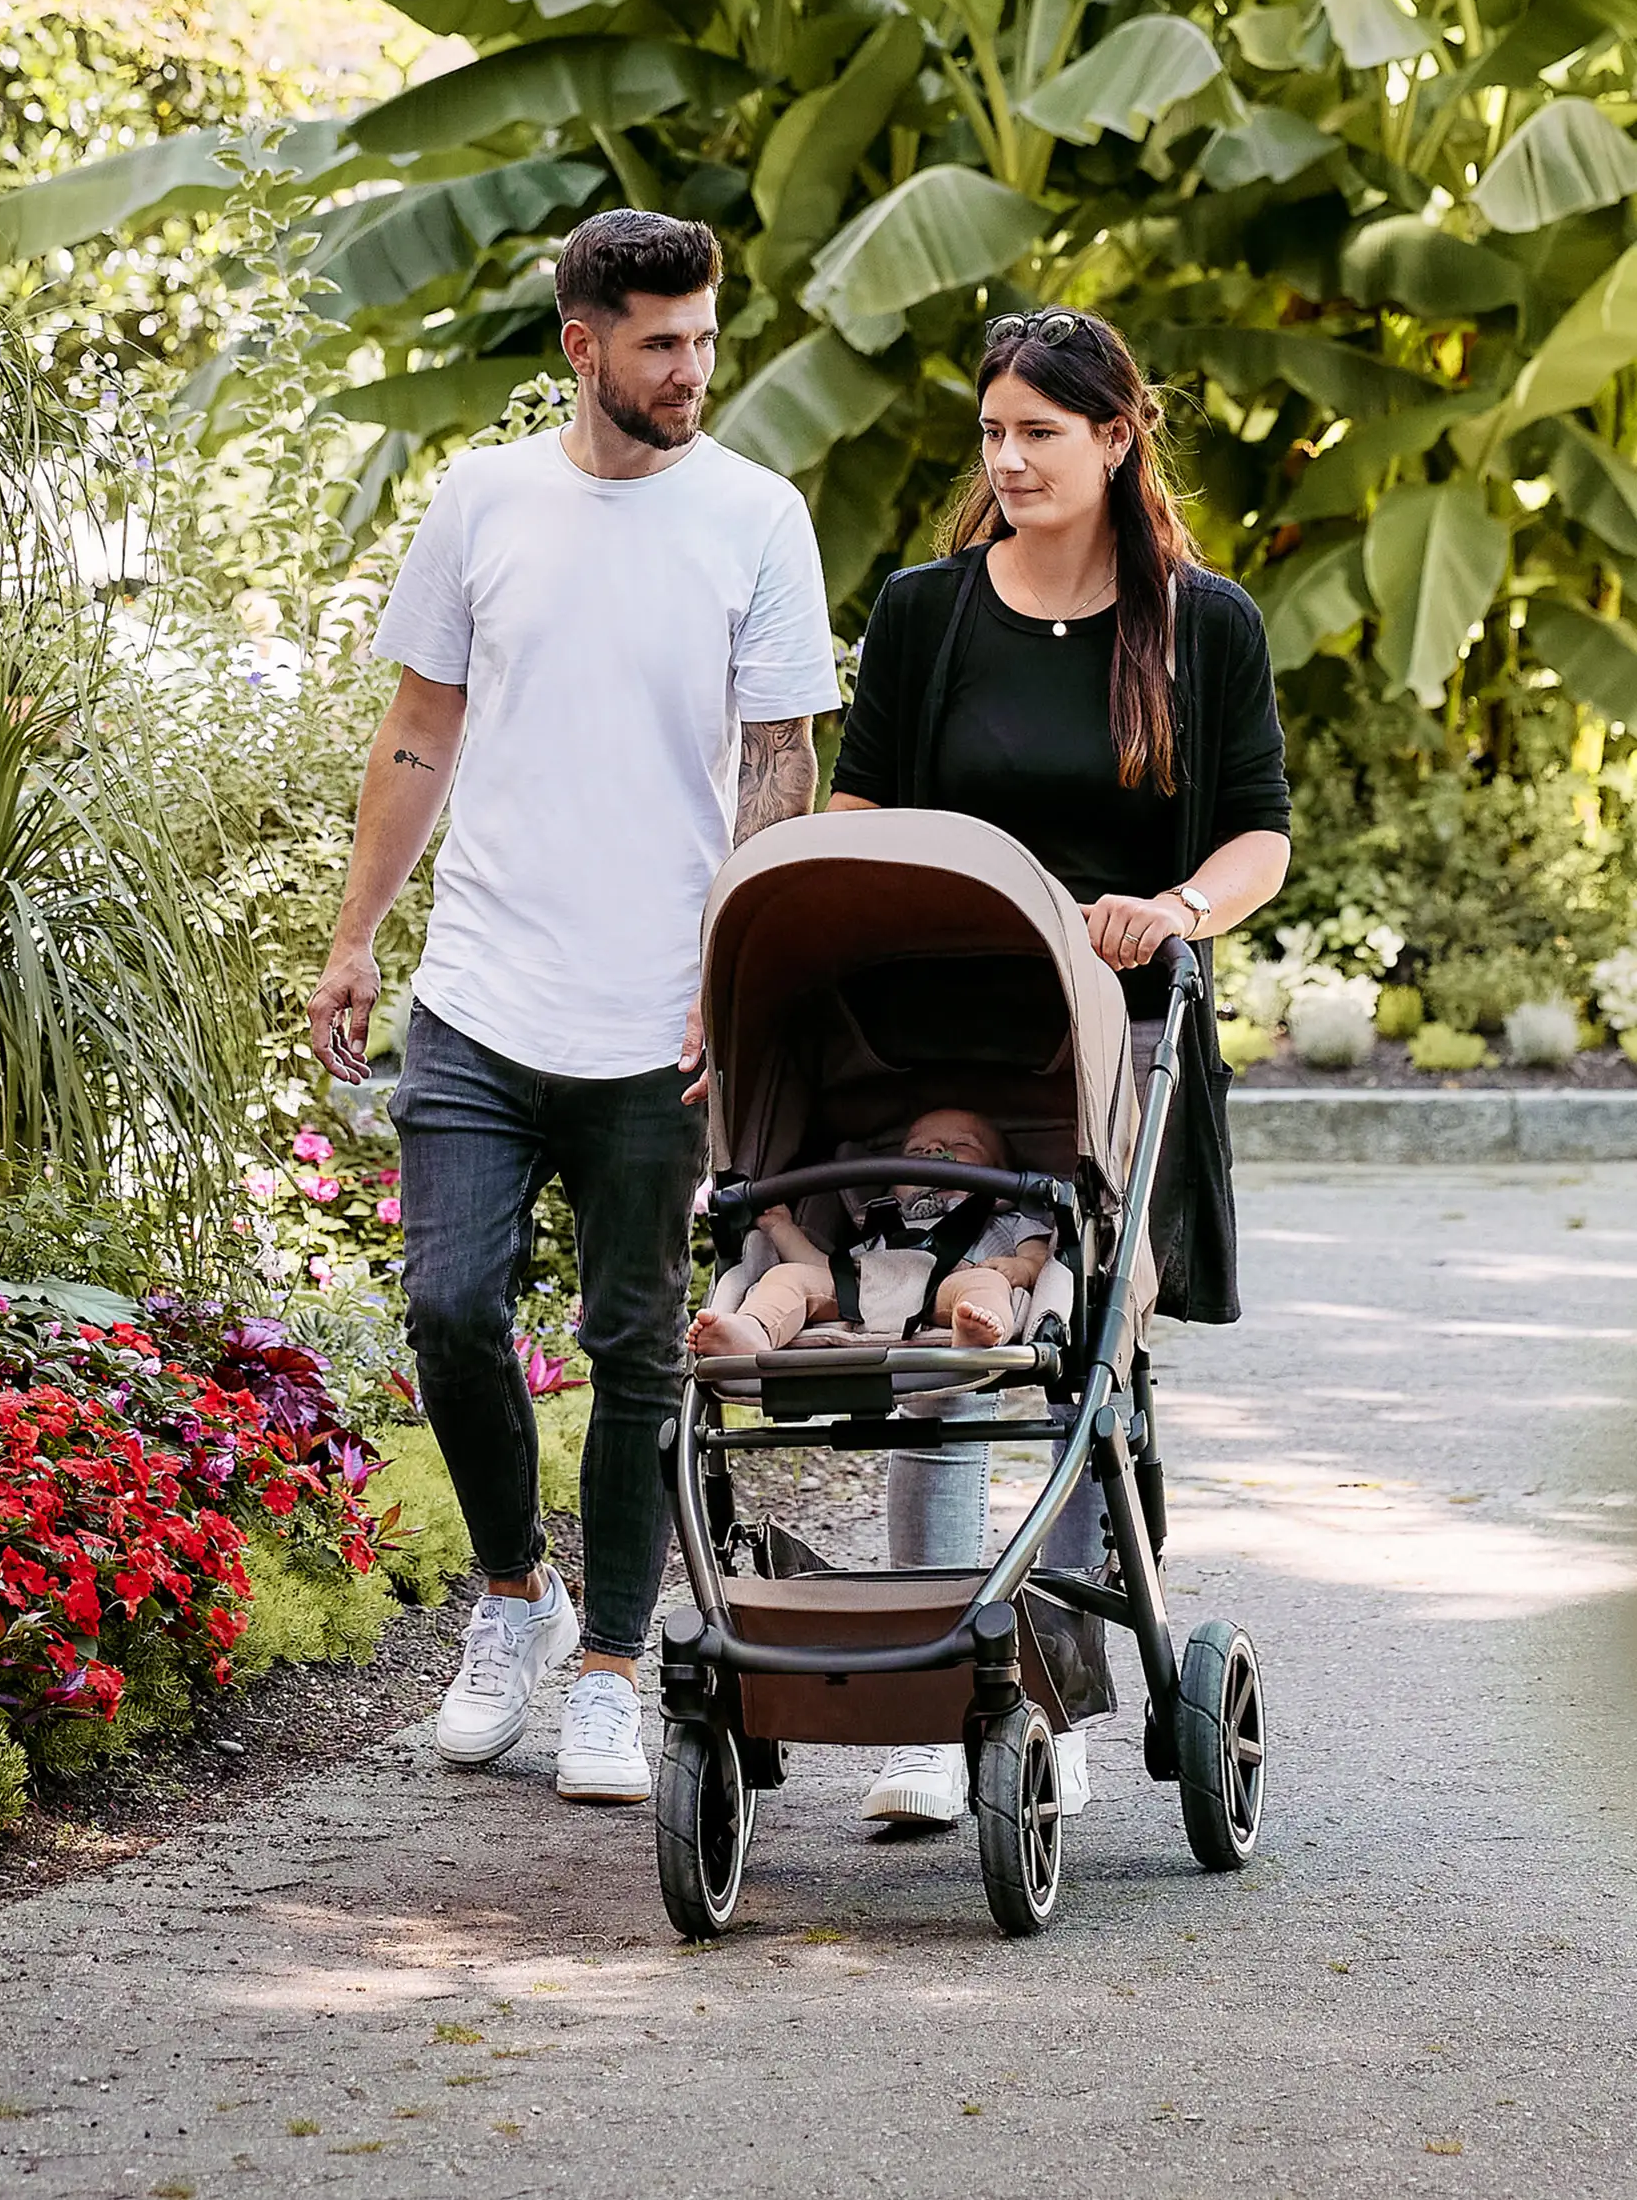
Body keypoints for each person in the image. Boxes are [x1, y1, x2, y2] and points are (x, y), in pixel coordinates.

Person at [306, 209, 840, 1805]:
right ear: (581, 346)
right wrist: (355, 940)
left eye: (704, 337)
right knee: (449, 1313)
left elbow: (779, 766)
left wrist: (731, 975)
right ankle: (511, 1602)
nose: (693, 369)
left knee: (632, 1344)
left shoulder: (758, 516)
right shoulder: (484, 500)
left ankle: (612, 1660)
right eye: (661, 342)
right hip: (478, 988)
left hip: (655, 1021)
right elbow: (419, 730)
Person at [826, 305, 1291, 1826]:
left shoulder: (1200, 623)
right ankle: (921, 1702)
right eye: (993, 433)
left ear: (1115, 438)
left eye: (1040, 431)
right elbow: (862, 813)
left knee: (1082, 1350)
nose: (1009, 459)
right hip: (936, 1034)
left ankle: (1052, 1696)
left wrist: (1175, 908)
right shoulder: (924, 611)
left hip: (1117, 1028)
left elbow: (1257, 833)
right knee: (942, 1359)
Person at [688, 1109, 1053, 1356]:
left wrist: (1020, 1269)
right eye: (915, 1151)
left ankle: (975, 1337)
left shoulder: (1009, 1217)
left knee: (987, 1286)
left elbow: (1040, 1259)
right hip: (863, 1290)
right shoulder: (882, 1219)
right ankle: (755, 1330)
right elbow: (828, 1267)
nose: (934, 1150)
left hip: (951, 1288)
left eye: (961, 1146)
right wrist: (781, 1228)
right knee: (788, 1277)